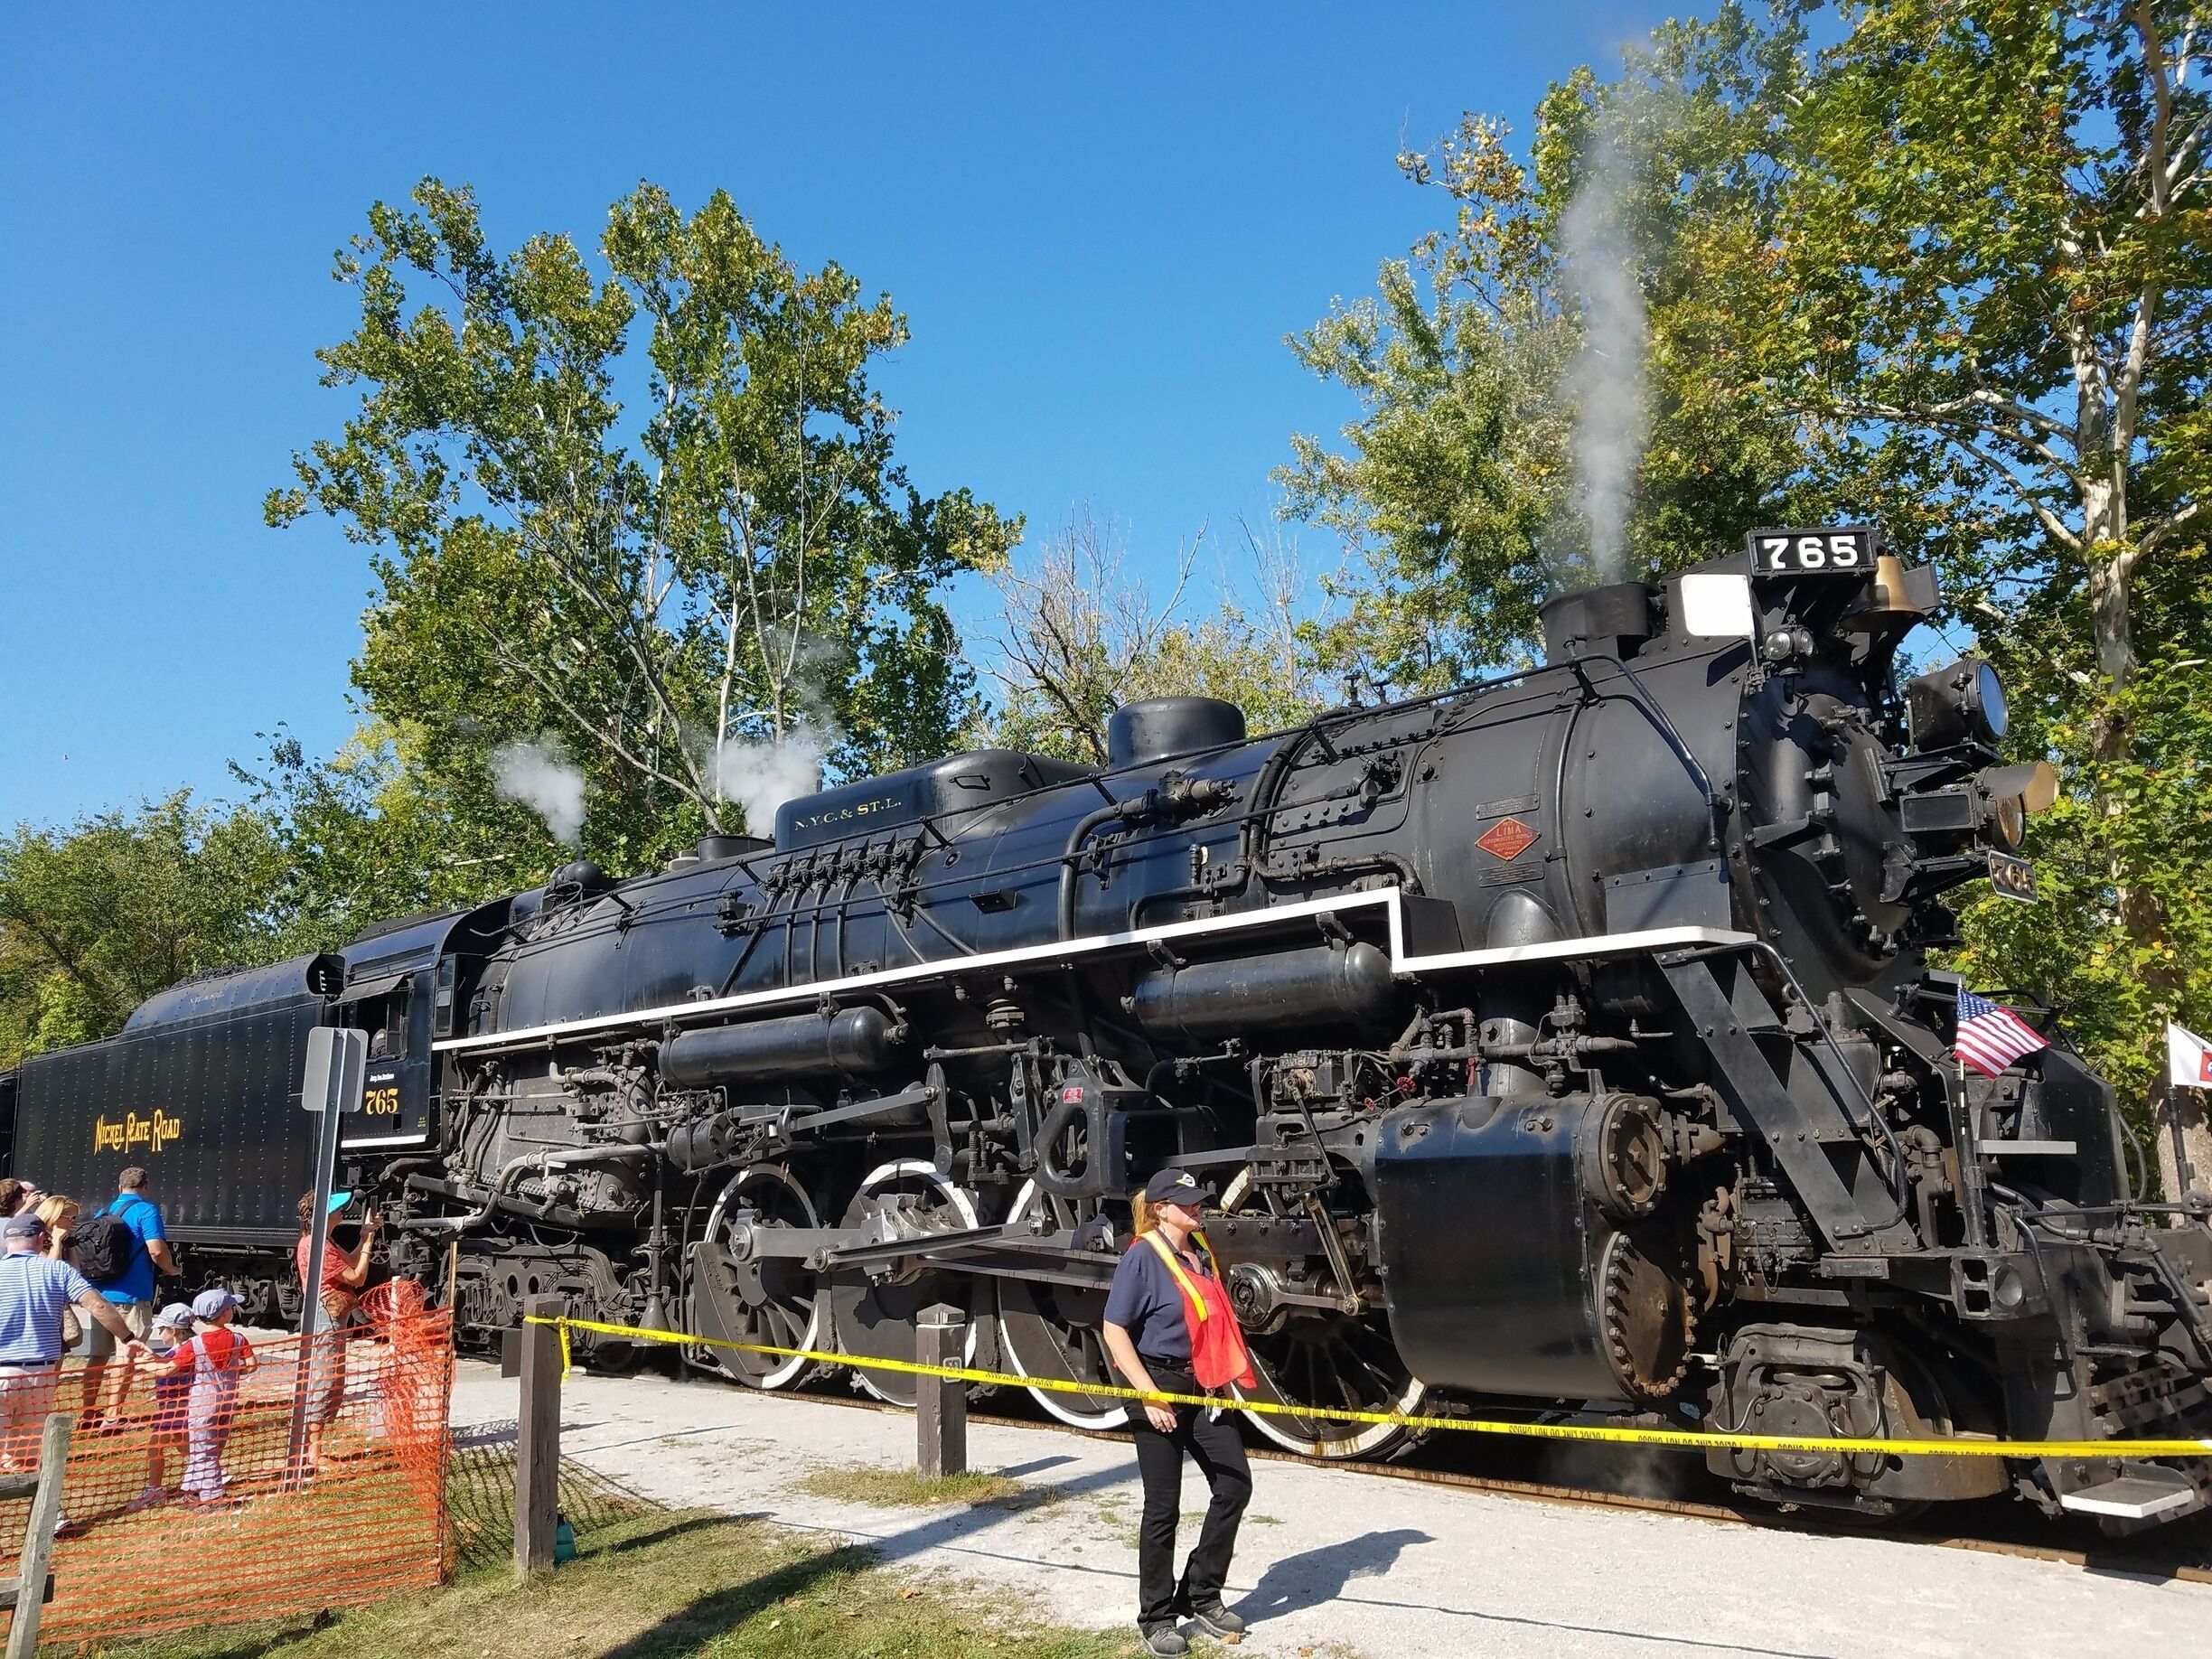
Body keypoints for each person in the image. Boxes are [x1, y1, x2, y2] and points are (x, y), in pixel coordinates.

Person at [1101, 1168, 1258, 1658]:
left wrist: (1223, 1379)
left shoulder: (1201, 1253)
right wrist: (1148, 1394)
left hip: (1203, 1384)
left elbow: (1210, 1325)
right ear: (1161, 1209)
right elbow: (1114, 1330)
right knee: (1163, 1506)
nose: (1197, 1208)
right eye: (1186, 1203)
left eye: (1198, 1202)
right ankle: (1156, 1617)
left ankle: (1200, 1592)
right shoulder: (1142, 1257)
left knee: (1235, 1485)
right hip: (1158, 1381)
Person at [0, 1212, 151, 1473]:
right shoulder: (57, 1269)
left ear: (6, 1243)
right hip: (41, 1375)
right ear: (40, 1239)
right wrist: (128, 1338)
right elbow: (97, 1304)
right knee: (31, 1453)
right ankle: (50, 1512)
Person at [77, 1167, 176, 1434]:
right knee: (126, 1356)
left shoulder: (105, 1212)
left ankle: (87, 1413)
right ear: (146, 1185)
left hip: (102, 1296)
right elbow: (156, 1249)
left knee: (97, 1356)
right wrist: (171, 1269)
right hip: (133, 1295)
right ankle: (112, 1418)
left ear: (120, 1186)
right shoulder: (147, 1211)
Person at [294, 1190, 376, 1476]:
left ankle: (311, 1450)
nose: (343, 1211)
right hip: (325, 1316)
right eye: (337, 1208)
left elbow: (350, 1263)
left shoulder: (323, 1242)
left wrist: (366, 1237)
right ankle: (313, 1454)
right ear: (323, 1215)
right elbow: (358, 1276)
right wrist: (367, 1246)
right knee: (324, 1379)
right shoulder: (317, 1246)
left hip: (331, 1315)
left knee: (331, 1380)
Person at [167, 1288, 256, 1506]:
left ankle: (212, 1496)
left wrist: (144, 1362)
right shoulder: (238, 1338)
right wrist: (234, 1372)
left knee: (202, 1448)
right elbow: (252, 1366)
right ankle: (191, 1488)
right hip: (227, 1402)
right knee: (213, 1447)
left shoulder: (193, 1345)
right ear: (225, 1314)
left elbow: (168, 1369)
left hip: (202, 1404)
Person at [131, 1301, 197, 1510]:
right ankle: (206, 1469)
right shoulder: (188, 1349)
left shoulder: (183, 1352)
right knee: (182, 1442)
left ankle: (154, 1489)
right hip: (176, 1406)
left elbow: (167, 1371)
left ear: (174, 1331)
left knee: (155, 1446)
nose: (159, 1334)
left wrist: (141, 1364)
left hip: (174, 1408)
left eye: (161, 1330)